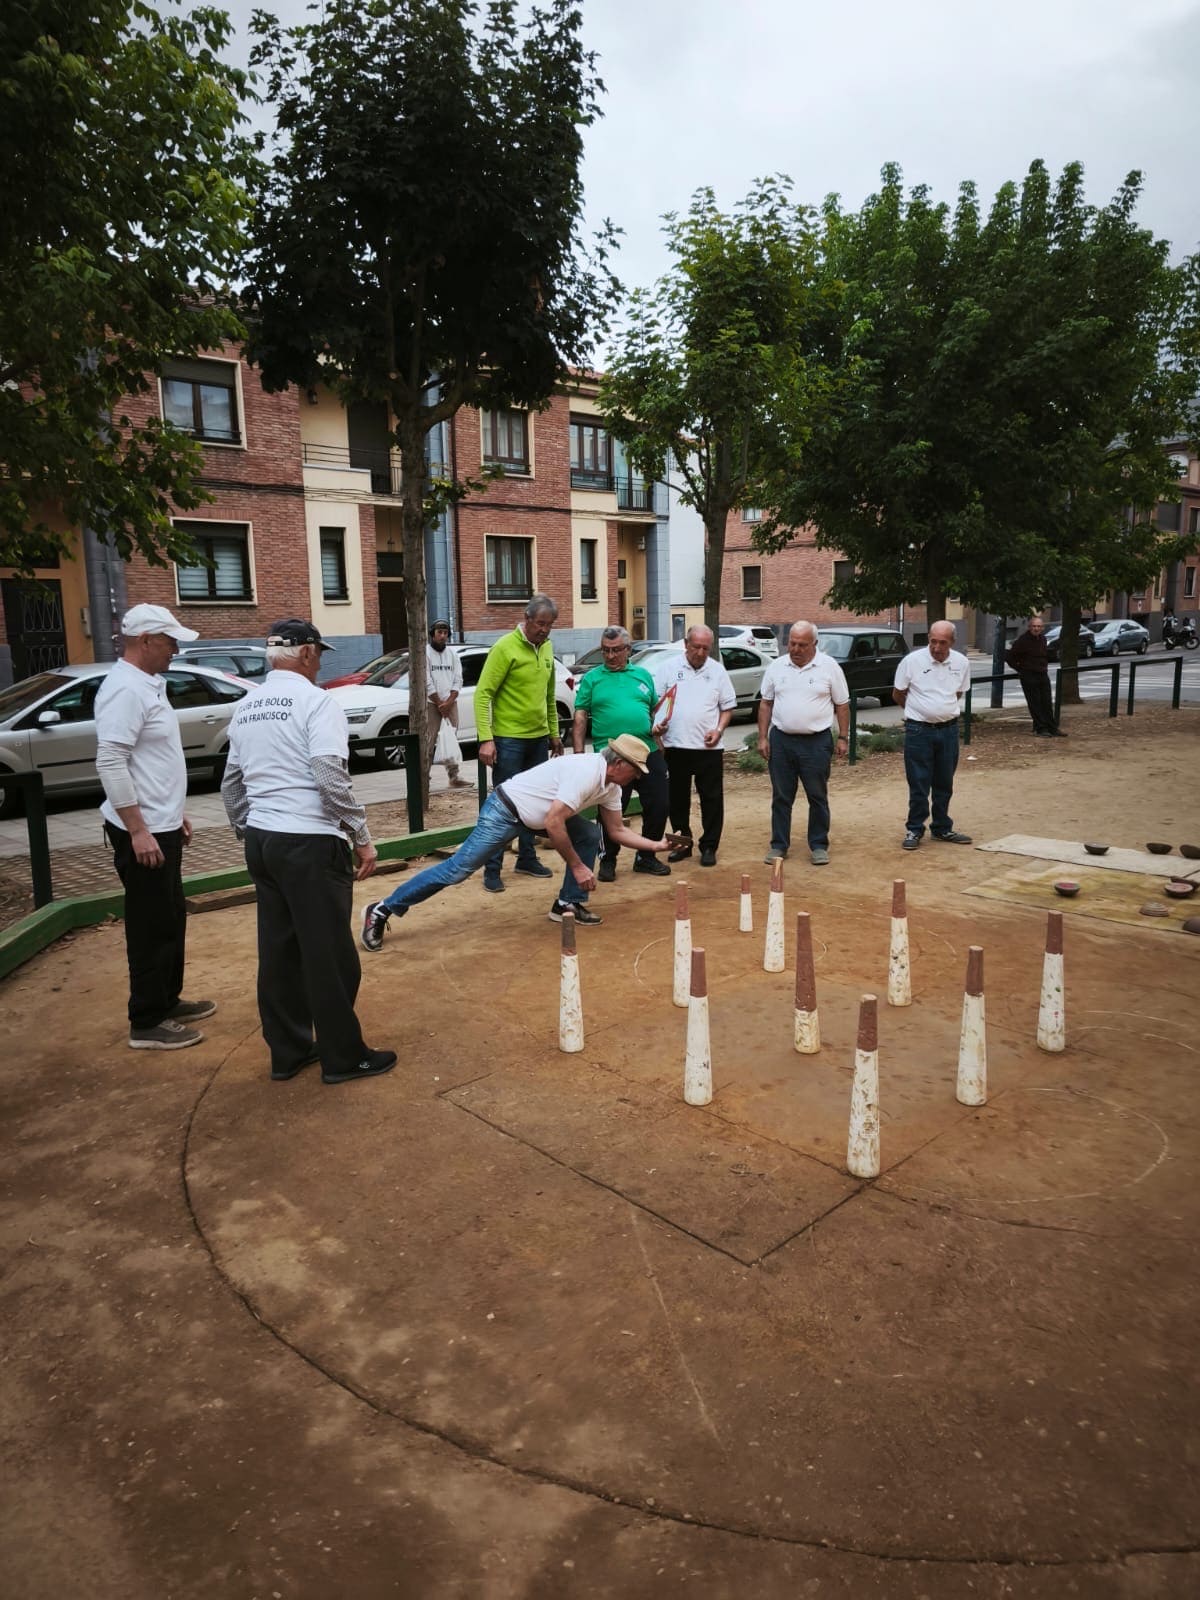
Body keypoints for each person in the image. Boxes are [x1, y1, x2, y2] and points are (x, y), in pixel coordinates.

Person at [221, 619, 396, 1085]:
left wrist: (251, 832)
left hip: (264, 839)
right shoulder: (316, 702)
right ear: (303, 654)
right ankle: (344, 1056)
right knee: (329, 955)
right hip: (309, 840)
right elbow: (328, 775)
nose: (319, 660)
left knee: (278, 952)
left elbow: (233, 784)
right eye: (317, 652)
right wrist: (360, 833)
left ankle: (289, 1050)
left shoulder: (247, 705)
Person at [360, 736, 678, 948]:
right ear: (619, 764)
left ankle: (567, 903)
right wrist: (579, 867)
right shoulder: (586, 773)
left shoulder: (610, 787)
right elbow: (554, 822)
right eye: (636, 771)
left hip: (535, 817)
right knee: (456, 870)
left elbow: (616, 831)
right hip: (505, 811)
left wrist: (656, 846)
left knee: (590, 834)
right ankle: (382, 909)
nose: (638, 777)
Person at [95, 603, 215, 1050]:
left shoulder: (148, 684)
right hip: (141, 829)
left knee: (169, 915)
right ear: (145, 640)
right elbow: (110, 760)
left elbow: (151, 761)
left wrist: (171, 812)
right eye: (169, 642)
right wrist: (138, 829)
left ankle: (166, 999)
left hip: (160, 822)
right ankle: (146, 1019)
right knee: (150, 924)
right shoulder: (126, 689)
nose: (175, 649)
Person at [474, 594, 563, 893]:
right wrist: (486, 739)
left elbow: (549, 696)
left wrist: (553, 733)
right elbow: (482, 694)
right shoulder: (504, 648)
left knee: (535, 804)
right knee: (504, 805)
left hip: (538, 739)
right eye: (540, 624)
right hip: (508, 739)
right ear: (526, 619)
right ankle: (492, 868)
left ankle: (527, 858)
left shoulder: (548, 648)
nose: (544, 630)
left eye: (549, 625)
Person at [572, 626, 669, 881]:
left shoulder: (643, 675)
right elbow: (580, 716)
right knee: (610, 808)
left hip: (646, 750)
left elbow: (653, 712)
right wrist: (580, 753)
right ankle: (608, 859)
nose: (610, 656)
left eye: (616, 650)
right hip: (611, 755)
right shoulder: (593, 678)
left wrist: (659, 736)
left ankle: (646, 857)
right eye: (605, 650)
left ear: (628, 649)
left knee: (659, 803)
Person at [757, 621, 850, 867]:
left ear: (814, 645)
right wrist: (763, 737)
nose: (796, 649)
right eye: (792, 644)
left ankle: (819, 845)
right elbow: (766, 703)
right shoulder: (777, 667)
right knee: (781, 796)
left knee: (817, 795)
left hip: (816, 743)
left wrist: (843, 737)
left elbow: (842, 704)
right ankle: (779, 845)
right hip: (782, 741)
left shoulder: (829, 667)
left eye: (802, 645)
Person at [651, 625, 736, 868]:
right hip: (675, 746)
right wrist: (657, 729)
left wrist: (718, 730)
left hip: (709, 748)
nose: (700, 652)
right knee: (676, 800)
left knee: (712, 799)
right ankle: (682, 844)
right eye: (696, 646)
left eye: (705, 648)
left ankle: (709, 846)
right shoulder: (667, 669)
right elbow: (656, 705)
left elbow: (727, 708)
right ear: (686, 644)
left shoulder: (718, 671)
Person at [892, 621, 973, 851]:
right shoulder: (912, 661)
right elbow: (898, 694)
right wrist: (918, 711)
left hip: (948, 730)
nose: (936, 647)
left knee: (944, 782)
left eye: (942, 642)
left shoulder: (961, 663)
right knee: (918, 782)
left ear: (952, 642)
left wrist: (941, 711)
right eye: (933, 641)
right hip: (918, 731)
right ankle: (915, 828)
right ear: (928, 638)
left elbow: (957, 692)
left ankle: (942, 827)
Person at [425, 620, 473, 788]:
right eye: (439, 632)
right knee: (429, 742)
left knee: (451, 738)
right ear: (432, 633)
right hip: (432, 703)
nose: (442, 636)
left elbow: (458, 679)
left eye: (445, 633)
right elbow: (426, 681)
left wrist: (449, 702)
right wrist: (439, 703)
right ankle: (424, 779)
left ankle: (454, 777)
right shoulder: (426, 653)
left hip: (450, 702)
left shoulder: (452, 655)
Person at [1005, 616, 1064, 738]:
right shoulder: (1023, 640)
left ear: (1042, 628)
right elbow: (1010, 657)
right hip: (1029, 675)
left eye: (1039, 626)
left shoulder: (1042, 639)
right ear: (1029, 627)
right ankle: (1040, 728)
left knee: (1047, 702)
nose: (1036, 629)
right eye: (1034, 626)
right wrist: (1021, 669)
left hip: (1042, 673)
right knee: (1035, 703)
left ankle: (1052, 727)